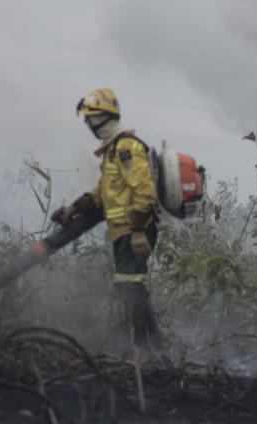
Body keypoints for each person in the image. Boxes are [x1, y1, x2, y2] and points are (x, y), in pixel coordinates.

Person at [55, 88, 161, 347]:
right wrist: (74, 208)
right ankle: (150, 346)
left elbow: (144, 191)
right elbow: (104, 192)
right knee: (129, 287)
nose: (88, 124)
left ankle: (146, 349)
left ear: (103, 117)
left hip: (134, 230)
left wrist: (137, 231)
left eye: (90, 118)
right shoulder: (113, 149)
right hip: (123, 231)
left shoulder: (126, 147)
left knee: (130, 287)